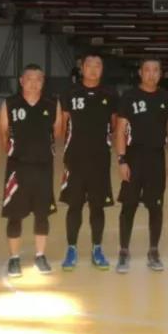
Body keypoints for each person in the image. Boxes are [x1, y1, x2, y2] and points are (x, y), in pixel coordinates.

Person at [0, 64, 61, 278]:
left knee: (42, 214)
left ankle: (40, 255)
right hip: (17, 167)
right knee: (15, 214)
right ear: (21, 81)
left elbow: (57, 131)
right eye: (29, 78)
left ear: (43, 82)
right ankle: (14, 258)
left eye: (38, 79)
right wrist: (14, 150)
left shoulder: (52, 104)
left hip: (43, 166)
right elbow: (3, 133)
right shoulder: (10, 104)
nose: (33, 83)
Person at [114, 58, 168, 273]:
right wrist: (121, 160)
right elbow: (120, 129)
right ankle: (124, 251)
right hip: (133, 157)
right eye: (147, 70)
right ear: (140, 72)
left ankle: (153, 251)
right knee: (129, 205)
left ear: (161, 74)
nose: (151, 74)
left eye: (155, 70)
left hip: (156, 158)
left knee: (155, 206)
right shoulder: (129, 96)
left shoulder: (166, 98)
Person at [58, 51, 118, 271]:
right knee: (74, 206)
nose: (93, 70)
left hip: (100, 160)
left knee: (97, 207)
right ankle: (71, 249)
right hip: (74, 160)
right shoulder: (69, 93)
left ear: (102, 69)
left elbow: (114, 125)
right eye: (89, 65)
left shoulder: (110, 94)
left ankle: (97, 248)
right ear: (82, 68)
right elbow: (61, 126)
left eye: (97, 66)